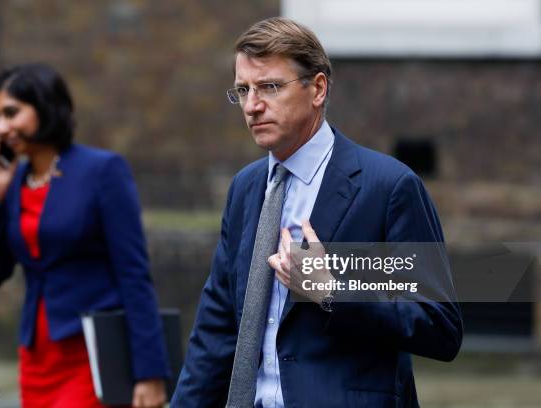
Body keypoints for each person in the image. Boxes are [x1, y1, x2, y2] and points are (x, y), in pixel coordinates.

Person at [172, 17, 462, 407]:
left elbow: (439, 326)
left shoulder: (387, 187)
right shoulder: (245, 188)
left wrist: (332, 293)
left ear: (318, 89)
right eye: (243, 90)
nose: (253, 106)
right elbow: (217, 331)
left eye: (270, 87)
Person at [0, 63, 169, 408]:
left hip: (91, 353)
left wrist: (150, 372)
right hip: (36, 356)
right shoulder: (14, 182)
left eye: (11, 113)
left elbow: (133, 273)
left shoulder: (102, 170)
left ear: (45, 106)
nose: (0, 127)